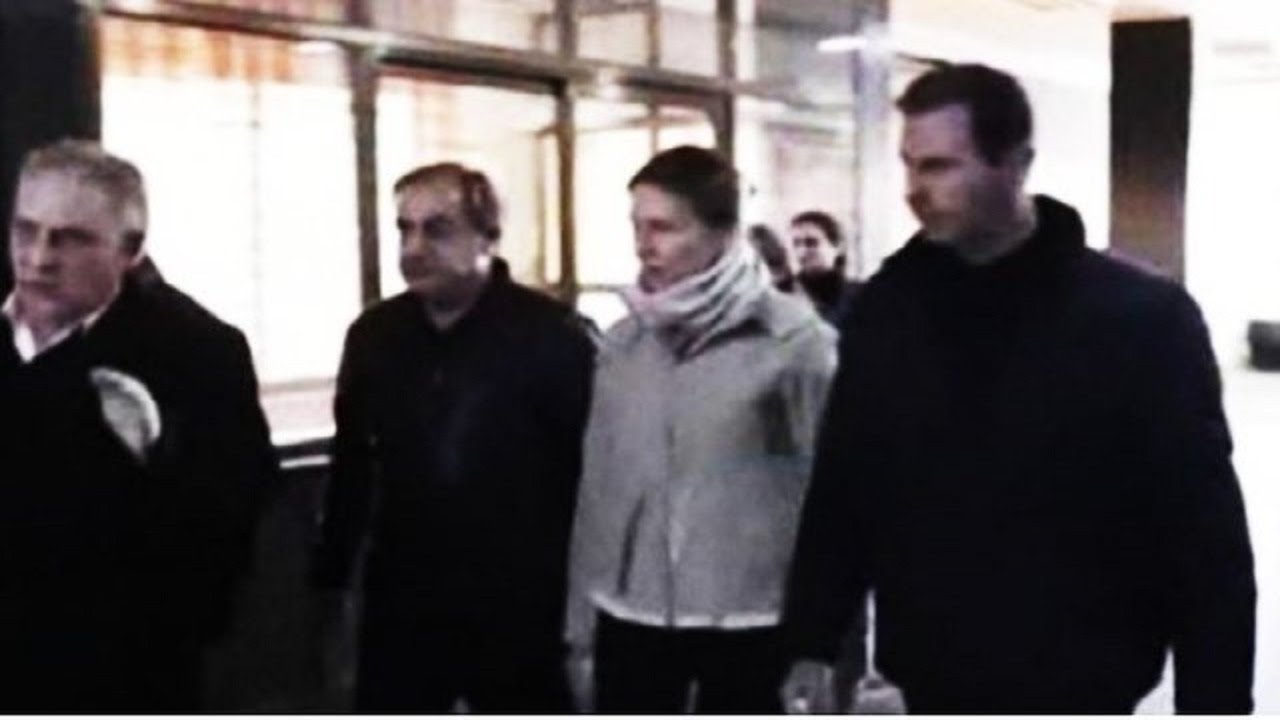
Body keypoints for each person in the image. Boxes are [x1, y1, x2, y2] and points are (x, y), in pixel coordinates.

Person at [780, 63, 1256, 714]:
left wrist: (1215, 700)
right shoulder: (890, 311)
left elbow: (1203, 533)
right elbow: (846, 484)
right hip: (932, 673)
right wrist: (811, 637)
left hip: (1081, 680)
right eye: (910, 166)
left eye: (940, 167)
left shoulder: (1139, 320)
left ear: (1016, 164)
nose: (915, 190)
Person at [0, 138, 276, 711]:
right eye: (26, 231)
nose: (38, 258)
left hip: (123, 673)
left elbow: (223, 530)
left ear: (129, 249)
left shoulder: (198, 352)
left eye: (71, 239)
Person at [311, 162, 595, 713]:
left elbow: (589, 482)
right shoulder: (376, 337)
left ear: (488, 237)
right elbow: (352, 468)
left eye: (437, 229)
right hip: (403, 598)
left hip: (520, 604)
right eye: (405, 229)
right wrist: (332, 583)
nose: (414, 248)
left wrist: (583, 612)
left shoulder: (553, 338)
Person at [565, 145, 837, 713]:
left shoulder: (795, 345)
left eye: (664, 227)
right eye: (637, 226)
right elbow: (599, 489)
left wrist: (823, 643)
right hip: (633, 613)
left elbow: (835, 497)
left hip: (751, 620)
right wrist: (580, 622)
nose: (644, 245)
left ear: (724, 233)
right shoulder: (623, 346)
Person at [789, 210, 859, 324]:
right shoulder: (784, 296)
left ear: (838, 247)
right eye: (796, 244)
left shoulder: (861, 297)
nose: (801, 252)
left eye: (811, 243)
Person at [748, 222, 796, 292]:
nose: (752, 243)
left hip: (781, 283)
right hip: (782, 281)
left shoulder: (764, 251)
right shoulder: (776, 246)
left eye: (752, 239)